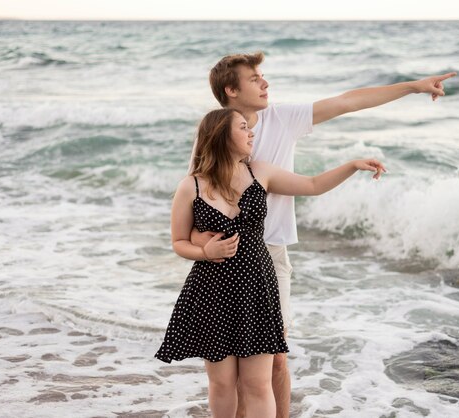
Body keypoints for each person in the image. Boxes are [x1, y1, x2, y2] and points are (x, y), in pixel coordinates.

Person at [189, 52, 456, 417]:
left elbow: (348, 101)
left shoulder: (282, 118)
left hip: (271, 253)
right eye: (255, 78)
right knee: (232, 370)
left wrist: (413, 86)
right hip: (224, 258)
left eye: (263, 75)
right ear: (231, 89)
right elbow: (197, 200)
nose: (265, 83)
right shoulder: (215, 134)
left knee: (275, 361)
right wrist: (206, 247)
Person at [156, 108, 386, 418]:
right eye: (242, 127)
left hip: (257, 287)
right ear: (222, 136)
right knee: (222, 383)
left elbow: (313, 185)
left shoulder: (259, 172)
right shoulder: (191, 186)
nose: (251, 132)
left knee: (258, 384)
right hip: (211, 291)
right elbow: (178, 241)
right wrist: (206, 252)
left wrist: (352, 165)